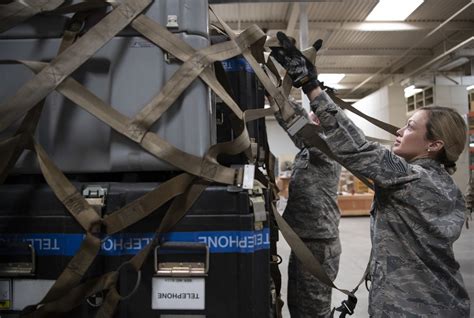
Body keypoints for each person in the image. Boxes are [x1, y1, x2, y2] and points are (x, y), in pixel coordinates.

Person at [270, 32, 471, 317]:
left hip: (413, 309)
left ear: (434, 145)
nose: (401, 131)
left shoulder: (411, 178)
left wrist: (311, 86)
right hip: (436, 304)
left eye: (411, 126)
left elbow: (358, 149)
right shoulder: (441, 184)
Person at [274, 100, 342, 318]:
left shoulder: (329, 147)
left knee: (313, 310)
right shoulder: (308, 149)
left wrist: (287, 102)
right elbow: (295, 130)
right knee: (298, 304)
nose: (313, 117)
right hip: (304, 240)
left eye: (318, 116)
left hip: (318, 244)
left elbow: (301, 128)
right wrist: (277, 103)